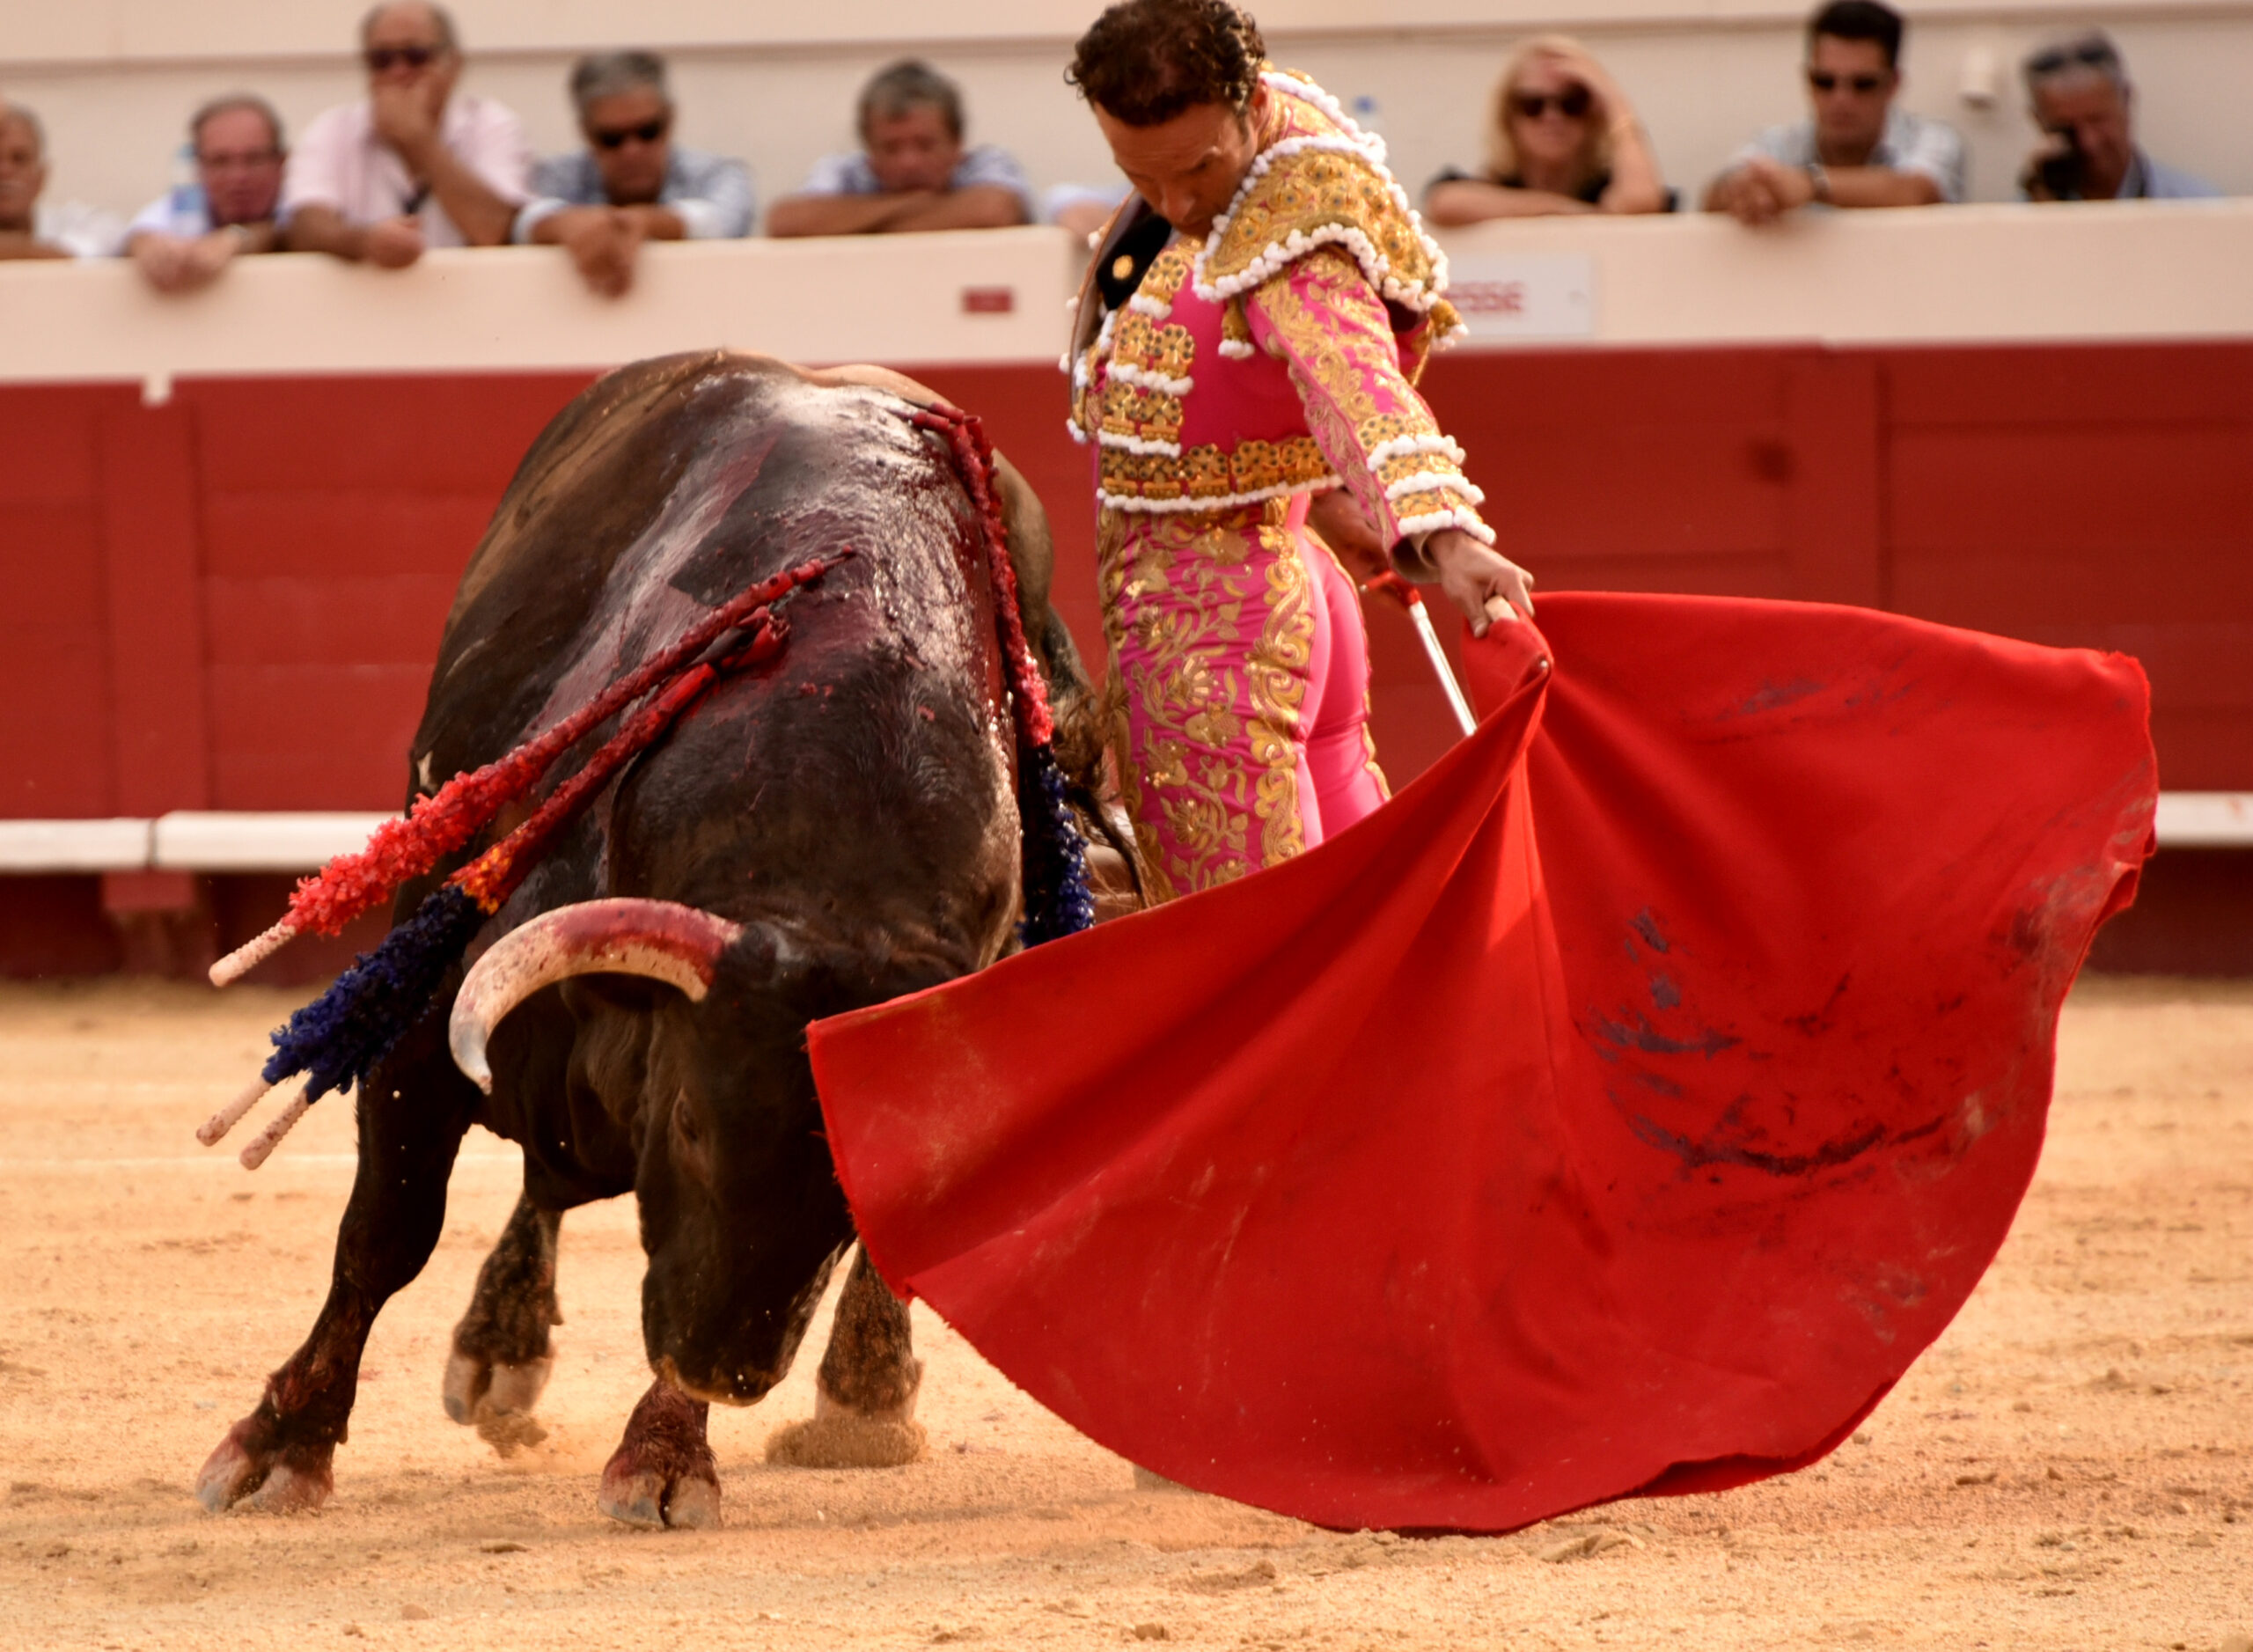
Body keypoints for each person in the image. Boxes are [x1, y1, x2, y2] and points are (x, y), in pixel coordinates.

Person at [1060, 0, 1532, 901]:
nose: (1178, 205)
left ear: (1243, 106)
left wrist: (1449, 539)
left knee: (1248, 947)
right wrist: (1321, 494)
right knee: (1362, 916)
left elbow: (1358, 389)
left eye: (1200, 168)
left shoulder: (1291, 235)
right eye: (1142, 177)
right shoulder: (1278, 116)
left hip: (1211, 623)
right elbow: (1265, 387)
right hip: (1294, 573)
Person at [283, 1, 530, 268]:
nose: (399, 72)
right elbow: (305, 228)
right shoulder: (331, 129)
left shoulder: (493, 125)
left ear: (454, 65)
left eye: (416, 56)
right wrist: (364, 243)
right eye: (381, 60)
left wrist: (420, 140)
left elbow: (495, 230)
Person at [514, 51, 755, 297]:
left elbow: (725, 222)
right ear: (586, 132)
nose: (632, 151)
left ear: (670, 119)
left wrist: (642, 223)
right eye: (612, 138)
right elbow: (520, 221)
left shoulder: (718, 173)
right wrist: (564, 225)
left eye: (648, 131)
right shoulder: (558, 175)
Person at [1705, 0, 1963, 224]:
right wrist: (1744, 191)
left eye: (1863, 84)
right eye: (1825, 82)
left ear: (1893, 84)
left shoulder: (1934, 138)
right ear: (1807, 79)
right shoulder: (1779, 142)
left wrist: (1810, 185)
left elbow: (1918, 193)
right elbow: (1714, 198)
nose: (1841, 99)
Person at [767, 60, 1032, 238]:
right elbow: (785, 221)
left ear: (957, 144)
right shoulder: (843, 171)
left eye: (925, 145)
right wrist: (919, 204)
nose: (909, 162)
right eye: (891, 148)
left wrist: (858, 223)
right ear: (869, 151)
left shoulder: (987, 163)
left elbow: (995, 210)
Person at [1424, 36, 1670, 223]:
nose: (1552, 117)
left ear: (1594, 113)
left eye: (1571, 103)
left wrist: (1616, 104)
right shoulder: (1492, 184)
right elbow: (1443, 203)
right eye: (1533, 105)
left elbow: (1641, 201)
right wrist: (1564, 211)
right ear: (1509, 116)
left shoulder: (1607, 187)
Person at [2019, 32, 2221, 202]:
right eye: (2066, 128)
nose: (2089, 141)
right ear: (2038, 121)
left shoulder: (2197, 204)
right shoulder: (2018, 218)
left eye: (2097, 120)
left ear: (2127, 101)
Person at [125, 95, 287, 293]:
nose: (238, 176)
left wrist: (236, 239)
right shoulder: (184, 206)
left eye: (254, 159)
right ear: (198, 167)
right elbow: (139, 235)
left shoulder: (299, 202)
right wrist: (147, 248)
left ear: (282, 162)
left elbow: (290, 231)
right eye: (220, 161)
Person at [0, 102, 127, 260]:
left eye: (20, 159)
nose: (5, 171)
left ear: (42, 176)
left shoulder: (85, 223)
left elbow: (70, 257)